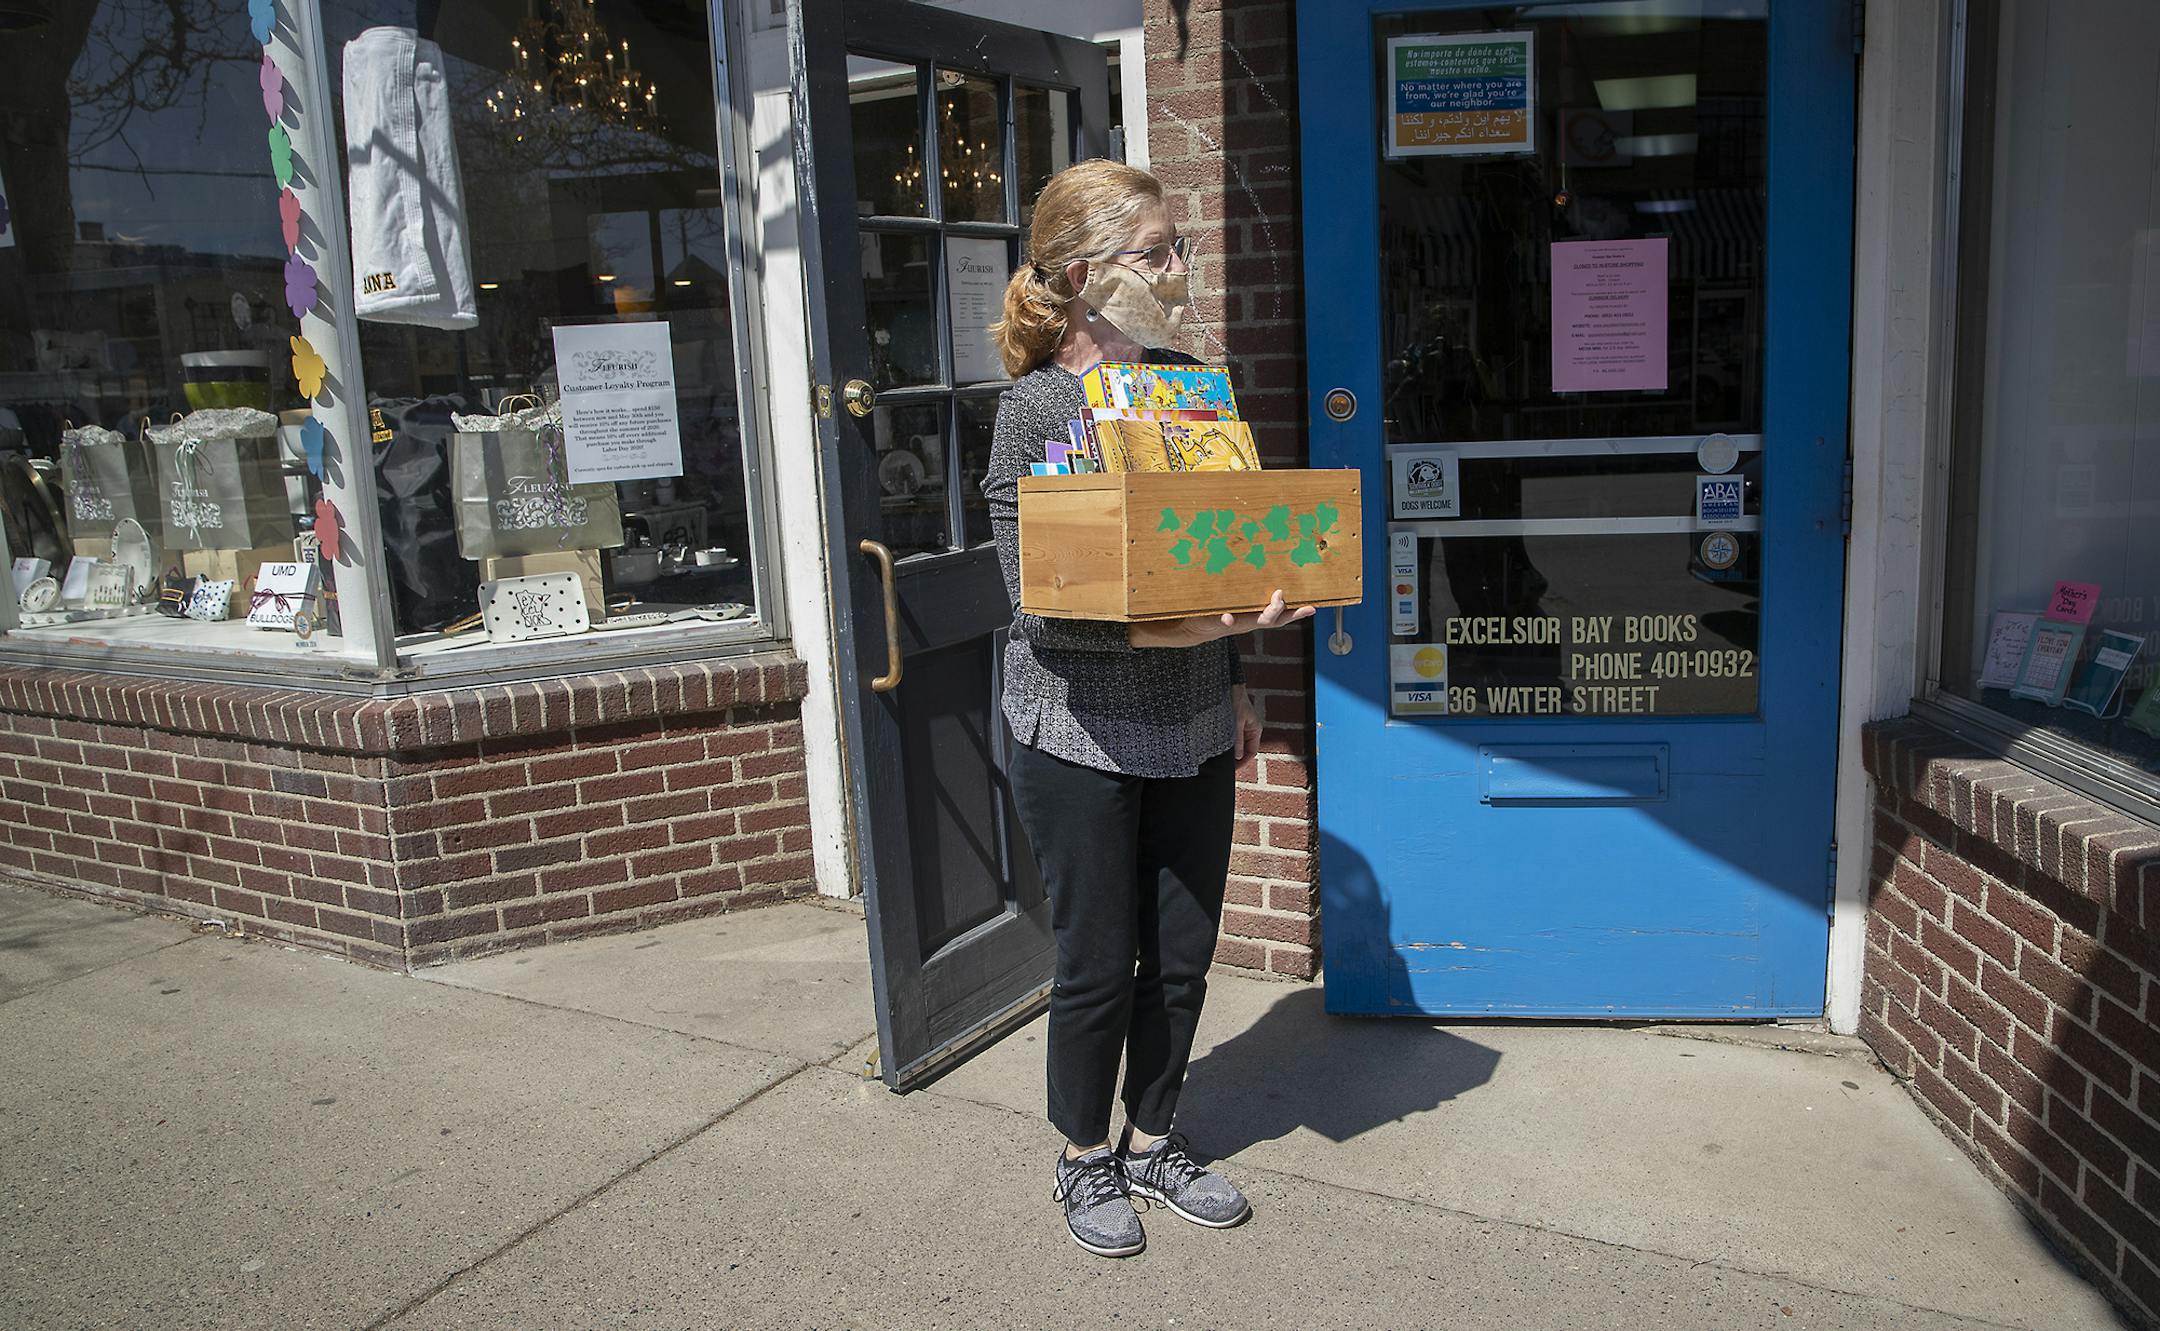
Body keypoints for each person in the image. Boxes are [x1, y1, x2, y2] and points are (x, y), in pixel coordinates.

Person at [982, 159, 1315, 1258]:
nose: (1180, 270)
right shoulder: (1033, 409)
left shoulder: (1187, 384)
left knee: (1181, 951)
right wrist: (1197, 628)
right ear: (1083, 274)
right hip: (1076, 726)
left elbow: (1219, 547)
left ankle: (1155, 1133)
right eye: (1158, 251)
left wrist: (1236, 675)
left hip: (1192, 719)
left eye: (1182, 249)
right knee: (1097, 958)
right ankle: (1084, 1156)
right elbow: (1039, 607)